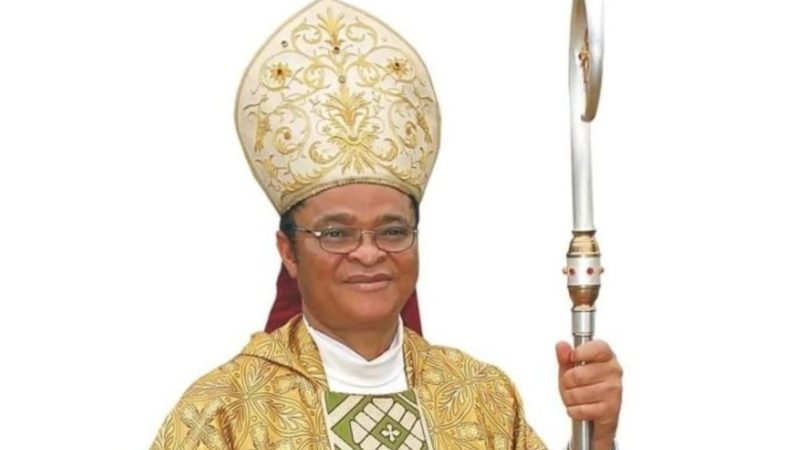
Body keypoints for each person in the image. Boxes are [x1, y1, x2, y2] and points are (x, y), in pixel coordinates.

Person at [150, 1, 623, 449]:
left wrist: (596, 437)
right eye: (336, 234)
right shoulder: (224, 411)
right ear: (289, 252)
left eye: (392, 231)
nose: (369, 253)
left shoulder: (482, 395)